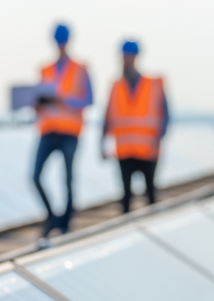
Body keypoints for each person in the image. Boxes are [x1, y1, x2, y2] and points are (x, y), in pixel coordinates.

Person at [32, 24, 93, 237]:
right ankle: (52, 217)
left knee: (67, 179)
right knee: (35, 176)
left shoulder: (80, 68)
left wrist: (64, 99)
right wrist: (36, 105)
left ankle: (65, 223)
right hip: (48, 130)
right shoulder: (45, 69)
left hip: (69, 132)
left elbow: (88, 99)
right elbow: (40, 101)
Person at [102, 40, 170, 213]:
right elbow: (108, 116)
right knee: (126, 195)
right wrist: (102, 143)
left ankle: (155, 225)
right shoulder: (116, 86)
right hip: (124, 150)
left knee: (150, 193)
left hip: (148, 150)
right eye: (125, 57)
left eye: (130, 57)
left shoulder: (153, 84)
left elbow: (166, 115)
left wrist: (159, 138)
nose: (127, 60)